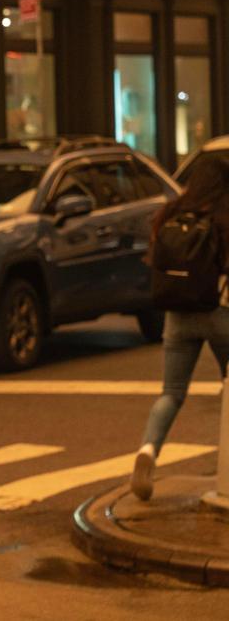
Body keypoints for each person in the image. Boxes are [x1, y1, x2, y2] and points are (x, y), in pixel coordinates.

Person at [131, 154, 229, 501]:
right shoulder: (223, 216)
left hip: (178, 315)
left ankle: (147, 452)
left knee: (171, 392)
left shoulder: (170, 213)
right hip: (219, 313)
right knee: (228, 389)